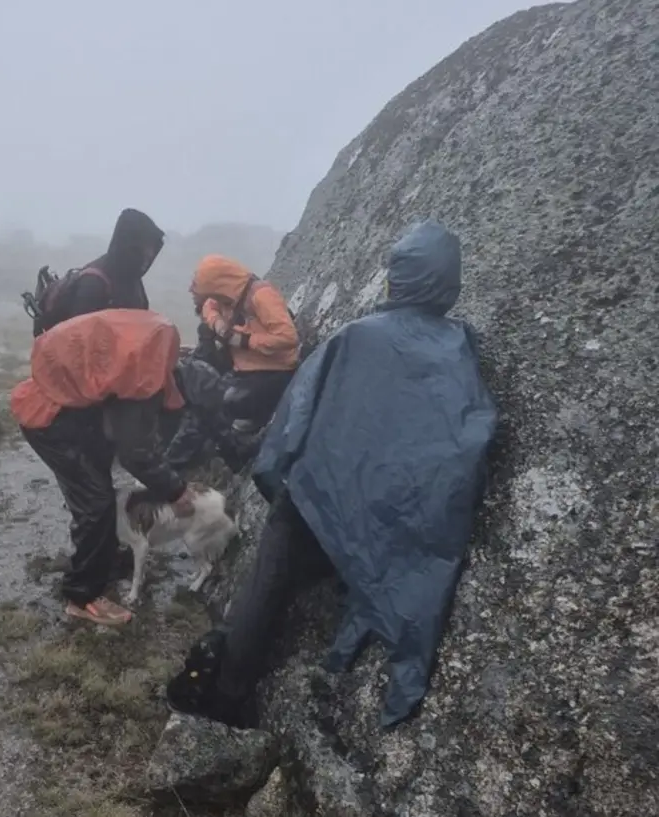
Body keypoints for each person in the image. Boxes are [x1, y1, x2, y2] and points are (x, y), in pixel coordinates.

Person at [165, 220, 498, 729]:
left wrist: (274, 481)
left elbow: (294, 420)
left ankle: (227, 693)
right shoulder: (459, 350)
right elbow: (466, 439)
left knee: (266, 586)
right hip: (385, 520)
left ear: (397, 280)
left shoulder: (355, 336)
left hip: (315, 503)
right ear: (447, 285)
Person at [12, 308, 197, 626]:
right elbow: (135, 453)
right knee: (96, 503)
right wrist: (177, 491)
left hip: (69, 412)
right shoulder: (147, 377)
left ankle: (102, 560)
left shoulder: (157, 344)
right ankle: (82, 597)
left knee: (96, 495)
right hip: (50, 421)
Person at [192, 255, 299, 435]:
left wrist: (245, 340)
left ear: (219, 284)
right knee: (204, 342)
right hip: (243, 365)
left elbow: (288, 337)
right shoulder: (224, 296)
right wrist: (217, 322)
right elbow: (208, 307)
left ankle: (259, 419)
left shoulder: (262, 296)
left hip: (275, 369)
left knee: (232, 402)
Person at [67, 208, 165, 318]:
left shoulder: (133, 279)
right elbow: (78, 328)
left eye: (152, 247)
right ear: (129, 242)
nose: (150, 253)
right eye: (145, 246)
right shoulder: (93, 283)